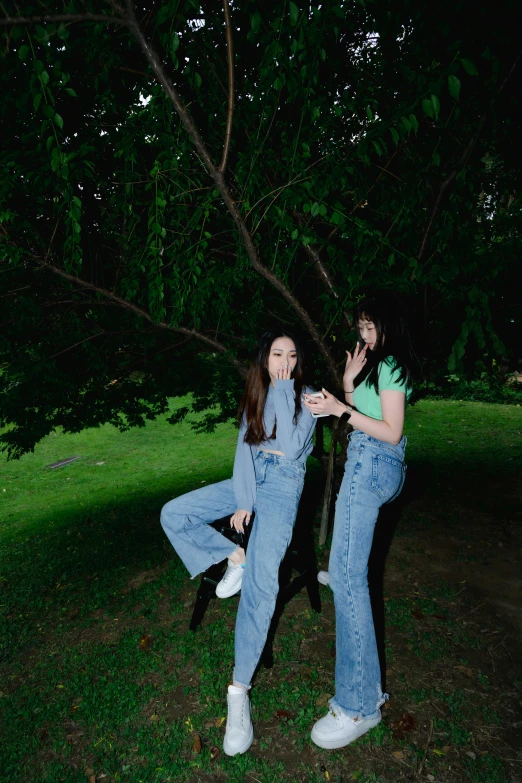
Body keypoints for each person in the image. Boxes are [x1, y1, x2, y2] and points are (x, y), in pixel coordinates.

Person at [160, 328, 317, 756]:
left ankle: (238, 691)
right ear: (263, 359)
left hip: (284, 489)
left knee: (262, 586)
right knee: (173, 513)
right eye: (276, 356)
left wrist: (286, 388)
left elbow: (290, 443)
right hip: (252, 478)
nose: (283, 363)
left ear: (298, 362)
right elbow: (245, 451)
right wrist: (244, 501)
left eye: (290, 356)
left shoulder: (309, 398)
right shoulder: (256, 396)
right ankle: (233, 555)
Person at [303, 293, 415, 749]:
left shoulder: (392, 365)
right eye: (360, 327)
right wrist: (348, 385)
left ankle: (358, 706)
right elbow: (364, 419)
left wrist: (340, 410)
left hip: (375, 462)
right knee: (346, 573)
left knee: (350, 581)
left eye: (369, 327)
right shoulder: (374, 367)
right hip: (367, 460)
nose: (362, 335)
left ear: (386, 326)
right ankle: (361, 699)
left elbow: (391, 430)